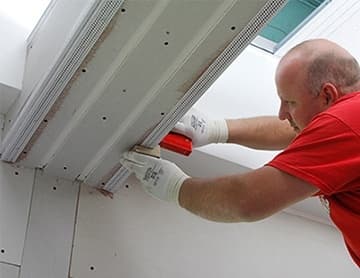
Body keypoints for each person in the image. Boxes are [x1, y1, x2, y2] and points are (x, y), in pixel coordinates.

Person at [120, 38, 360, 267]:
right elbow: (296, 130)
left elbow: (245, 200)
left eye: (290, 102)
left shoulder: (347, 122)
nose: (282, 113)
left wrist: (173, 187)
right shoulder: (348, 123)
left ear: (328, 95)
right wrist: (217, 130)